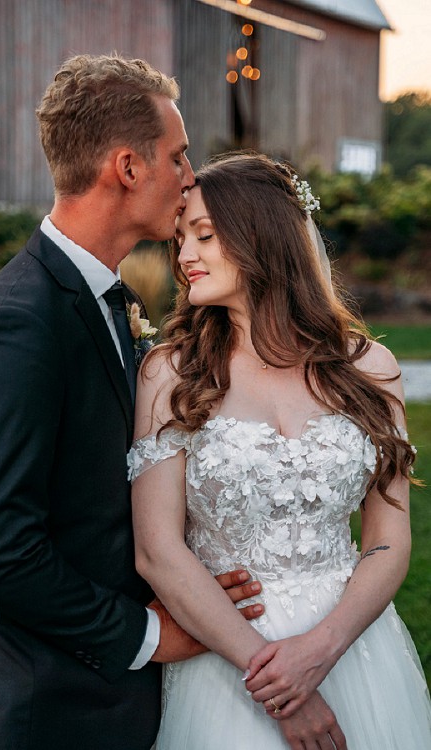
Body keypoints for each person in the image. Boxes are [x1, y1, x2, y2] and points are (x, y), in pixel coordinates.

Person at [0, 55, 266, 750]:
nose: (190, 177)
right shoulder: (16, 324)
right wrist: (152, 635)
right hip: (46, 709)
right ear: (126, 167)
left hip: (104, 702)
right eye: (177, 158)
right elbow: (2, 553)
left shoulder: (108, 300)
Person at [130, 153, 431, 749]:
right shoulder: (171, 372)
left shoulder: (371, 369)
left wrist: (322, 650)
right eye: (180, 238)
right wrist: (273, 679)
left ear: (263, 237)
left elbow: (389, 539)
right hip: (225, 657)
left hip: (354, 649)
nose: (184, 256)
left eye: (205, 236)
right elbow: (157, 550)